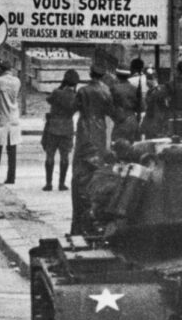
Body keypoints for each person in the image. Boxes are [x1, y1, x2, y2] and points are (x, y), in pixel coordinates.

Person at [72, 65, 116, 235]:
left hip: (84, 127)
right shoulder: (106, 92)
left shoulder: (83, 90)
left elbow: (73, 107)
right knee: (96, 166)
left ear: (90, 74)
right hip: (99, 128)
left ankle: (79, 224)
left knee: (81, 169)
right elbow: (111, 111)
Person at [42, 69, 80, 192]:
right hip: (67, 127)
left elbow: (49, 99)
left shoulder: (57, 93)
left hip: (53, 126)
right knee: (65, 156)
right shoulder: (75, 96)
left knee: (50, 155)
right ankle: (61, 183)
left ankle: (48, 183)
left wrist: (60, 87)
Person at [0, 63, 21, 185]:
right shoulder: (17, 81)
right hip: (13, 117)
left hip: (0, 117)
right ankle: (11, 177)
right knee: (12, 151)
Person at [110, 68, 140, 142]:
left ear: (117, 75)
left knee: (118, 146)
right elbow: (140, 107)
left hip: (120, 121)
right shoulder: (135, 89)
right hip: (133, 120)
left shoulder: (114, 88)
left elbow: (109, 106)